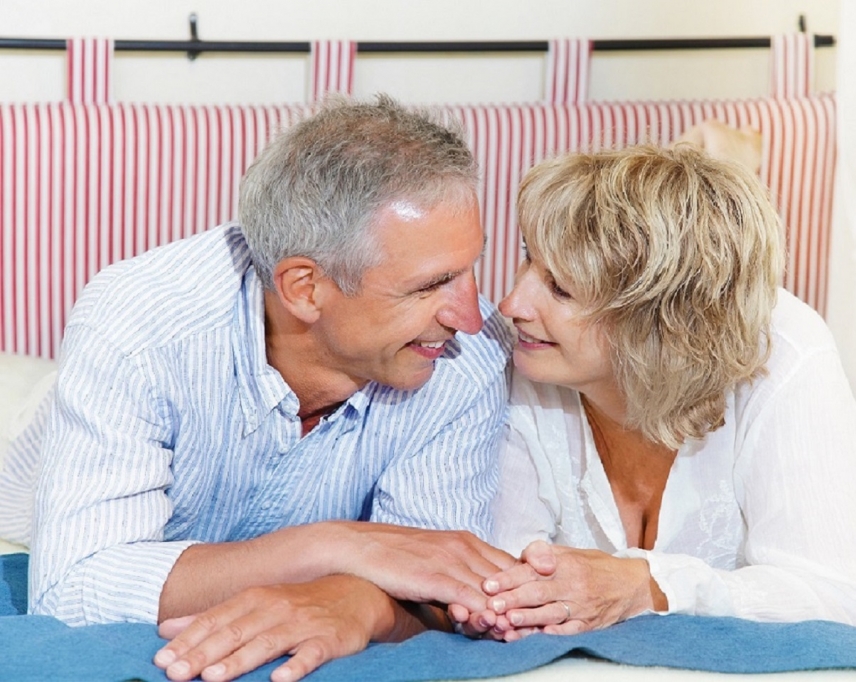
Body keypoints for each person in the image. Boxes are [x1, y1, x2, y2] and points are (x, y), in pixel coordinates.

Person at [14, 95, 514, 682]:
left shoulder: (469, 357)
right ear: (304, 288)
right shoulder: (138, 327)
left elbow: (441, 584)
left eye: (472, 268)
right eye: (431, 285)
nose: (470, 317)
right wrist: (333, 546)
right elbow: (72, 589)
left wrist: (365, 604)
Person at [450, 143, 856, 639]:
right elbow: (507, 567)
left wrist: (649, 585)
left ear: (658, 322)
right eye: (528, 259)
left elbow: (840, 598)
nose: (511, 304)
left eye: (561, 289)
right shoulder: (520, 355)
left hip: (824, 441)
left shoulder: (788, 355)